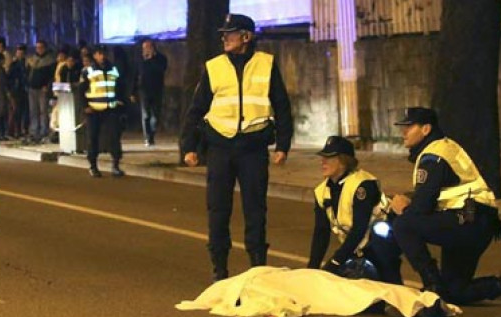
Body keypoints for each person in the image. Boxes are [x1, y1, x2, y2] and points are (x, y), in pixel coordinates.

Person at [390, 107, 501, 309]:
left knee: (403, 224)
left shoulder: (433, 156)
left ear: (426, 129)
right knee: (456, 291)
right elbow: (443, 190)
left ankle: (433, 286)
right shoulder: (445, 147)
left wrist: (403, 208)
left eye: (409, 127)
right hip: (477, 221)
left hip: (465, 220)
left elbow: (422, 207)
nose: (403, 132)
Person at [180, 14, 294, 281]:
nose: (224, 38)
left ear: (246, 37)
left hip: (253, 148)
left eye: (230, 33)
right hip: (220, 147)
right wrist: (189, 146)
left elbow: (282, 106)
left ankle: (257, 267)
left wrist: (283, 145)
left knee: (256, 209)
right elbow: (197, 109)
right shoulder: (214, 66)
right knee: (218, 209)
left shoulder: (266, 65)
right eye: (223, 33)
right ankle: (220, 269)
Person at [308, 136, 402, 285]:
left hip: (381, 242)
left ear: (343, 161)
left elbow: (359, 229)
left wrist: (336, 261)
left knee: (390, 289)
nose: (323, 162)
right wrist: (312, 269)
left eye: (329, 157)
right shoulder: (321, 191)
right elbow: (321, 233)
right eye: (322, 157)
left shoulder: (362, 185)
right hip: (355, 247)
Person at [80, 45, 127, 178]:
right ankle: (93, 166)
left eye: (104, 53)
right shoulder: (88, 71)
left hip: (111, 109)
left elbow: (119, 86)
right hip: (93, 110)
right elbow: (81, 91)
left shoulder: (113, 69)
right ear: (94, 55)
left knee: (114, 137)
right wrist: (85, 107)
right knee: (93, 138)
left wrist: (121, 101)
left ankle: (116, 165)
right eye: (99, 53)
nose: (102, 56)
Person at [132, 38, 168, 147]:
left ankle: (152, 133)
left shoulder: (161, 59)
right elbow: (136, 75)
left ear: (153, 47)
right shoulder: (140, 59)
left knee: (155, 116)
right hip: (144, 90)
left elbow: (161, 69)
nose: (146, 50)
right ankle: (148, 137)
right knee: (146, 115)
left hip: (157, 89)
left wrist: (151, 59)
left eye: (147, 47)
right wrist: (132, 92)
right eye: (144, 48)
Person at [26, 41, 57, 143]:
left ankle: (44, 131)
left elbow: (51, 76)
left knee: (43, 111)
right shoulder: (32, 60)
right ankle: (34, 131)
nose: (39, 49)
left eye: (41, 47)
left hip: (42, 89)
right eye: (37, 47)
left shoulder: (49, 61)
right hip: (32, 89)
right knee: (33, 111)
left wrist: (47, 86)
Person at [7, 44, 29, 139]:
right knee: (16, 111)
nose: (20, 54)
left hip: (24, 90)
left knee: (23, 111)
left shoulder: (26, 64)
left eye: (22, 52)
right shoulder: (14, 64)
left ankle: (22, 130)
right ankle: (13, 131)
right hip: (15, 91)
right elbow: (9, 77)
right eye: (19, 52)